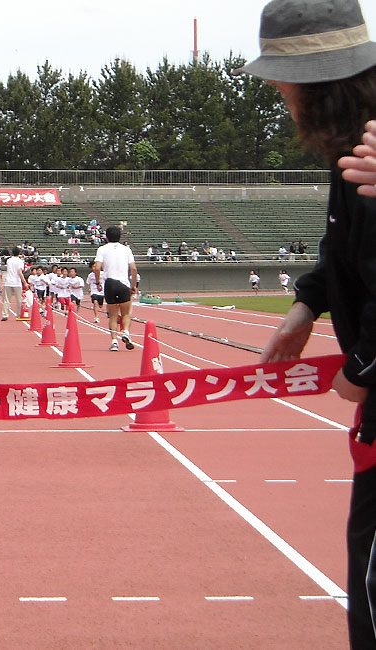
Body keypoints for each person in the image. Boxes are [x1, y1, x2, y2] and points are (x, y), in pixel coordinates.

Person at [239, 1, 376, 645]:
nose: (274, 87)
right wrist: (305, 307)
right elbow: (341, 245)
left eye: (283, 75)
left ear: (322, 81)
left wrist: (363, 367)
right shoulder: (349, 144)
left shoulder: (372, 147)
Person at [94, 226, 137, 351]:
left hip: (110, 283)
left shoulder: (102, 249)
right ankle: (126, 332)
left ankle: (114, 341)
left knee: (113, 315)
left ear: (106, 237)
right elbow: (133, 269)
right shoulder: (126, 249)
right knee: (126, 314)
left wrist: (98, 282)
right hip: (124, 284)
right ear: (120, 236)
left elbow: (97, 268)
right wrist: (134, 285)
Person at [1, 246, 27, 320]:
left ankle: (5, 314)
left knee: (6, 300)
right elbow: (20, 272)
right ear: (19, 253)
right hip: (17, 282)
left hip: (8, 282)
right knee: (19, 300)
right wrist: (24, 282)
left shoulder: (9, 260)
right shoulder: (20, 261)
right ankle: (18, 314)